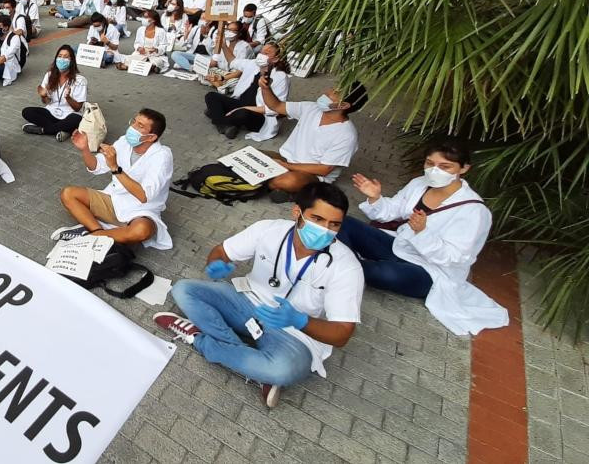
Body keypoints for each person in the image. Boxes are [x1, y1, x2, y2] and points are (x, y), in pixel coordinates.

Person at [153, 182, 364, 408]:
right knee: (183, 289)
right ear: (297, 212)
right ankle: (252, 366)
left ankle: (199, 339)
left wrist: (300, 320)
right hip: (247, 302)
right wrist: (216, 264)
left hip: (294, 332)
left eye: (334, 225)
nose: (325, 230)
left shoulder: (346, 267)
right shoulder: (268, 230)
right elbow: (222, 251)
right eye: (318, 219)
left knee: (283, 370)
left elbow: (342, 334)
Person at [342, 141, 506, 335]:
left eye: (445, 166)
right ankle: (344, 260)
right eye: (430, 163)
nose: (434, 171)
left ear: (464, 168)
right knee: (342, 222)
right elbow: (390, 212)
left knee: (381, 273)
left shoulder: (474, 211)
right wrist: (375, 198)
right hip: (400, 245)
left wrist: (422, 233)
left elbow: (455, 257)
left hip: (431, 270)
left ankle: (347, 264)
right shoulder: (419, 184)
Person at [54, 108, 174, 249]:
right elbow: (96, 167)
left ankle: (88, 236)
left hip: (141, 211)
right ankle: (99, 233)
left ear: (151, 137)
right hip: (113, 200)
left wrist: (115, 168)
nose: (132, 127)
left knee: (142, 231)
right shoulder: (124, 141)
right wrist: (85, 149)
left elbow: (144, 196)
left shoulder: (162, 156)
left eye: (140, 126)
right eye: (134, 122)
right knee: (68, 194)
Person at [258, 81, 367, 198]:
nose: (327, 92)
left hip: (312, 174)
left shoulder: (346, 135)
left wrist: (286, 166)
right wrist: (265, 88)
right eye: (333, 88)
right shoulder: (311, 108)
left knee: (288, 181)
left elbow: (324, 170)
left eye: (335, 93)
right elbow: (276, 106)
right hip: (285, 159)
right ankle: (282, 189)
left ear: (343, 105)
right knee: (250, 154)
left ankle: (279, 186)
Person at [203, 41, 291, 140]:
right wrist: (223, 45)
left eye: (266, 53)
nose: (261, 55)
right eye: (261, 52)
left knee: (242, 113)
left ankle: (218, 117)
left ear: (276, 59)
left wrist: (244, 108)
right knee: (211, 96)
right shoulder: (253, 64)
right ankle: (225, 124)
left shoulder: (281, 77)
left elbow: (275, 108)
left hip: (259, 115)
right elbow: (233, 61)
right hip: (240, 103)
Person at [22, 45, 86, 141]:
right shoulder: (49, 75)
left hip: (70, 114)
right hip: (51, 112)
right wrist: (44, 96)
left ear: (72, 60)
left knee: (76, 120)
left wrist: (68, 97)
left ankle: (42, 130)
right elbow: (46, 102)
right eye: (59, 56)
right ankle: (63, 130)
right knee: (27, 112)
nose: (62, 59)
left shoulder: (80, 80)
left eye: (66, 57)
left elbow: (78, 108)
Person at [115, 9, 171, 73]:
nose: (143, 19)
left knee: (158, 62)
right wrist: (139, 48)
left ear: (153, 20)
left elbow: (163, 45)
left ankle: (148, 66)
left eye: (146, 17)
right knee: (129, 58)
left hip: (155, 55)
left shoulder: (161, 31)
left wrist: (156, 49)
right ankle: (148, 66)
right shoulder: (140, 29)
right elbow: (137, 43)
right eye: (143, 17)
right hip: (142, 53)